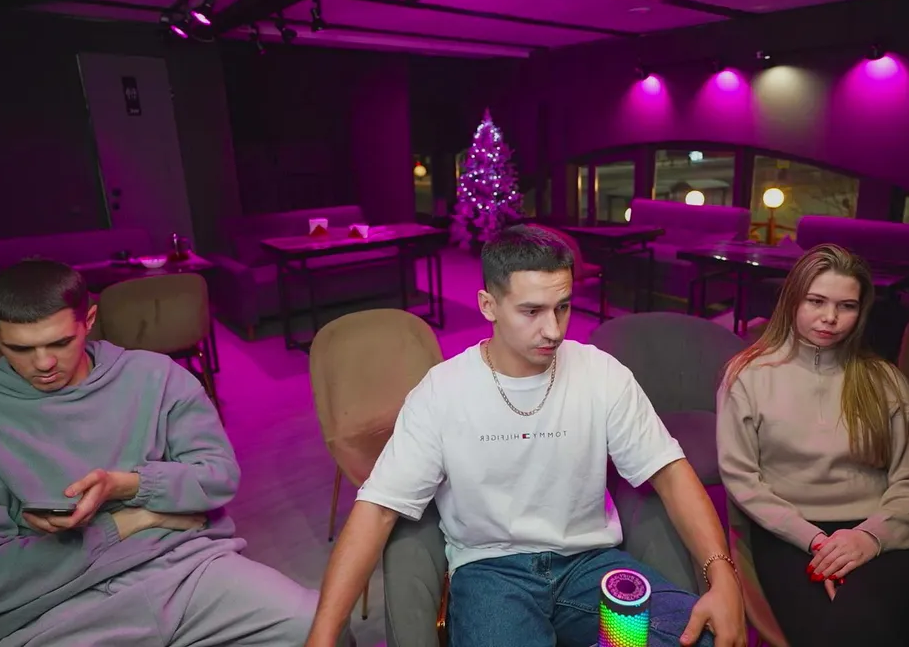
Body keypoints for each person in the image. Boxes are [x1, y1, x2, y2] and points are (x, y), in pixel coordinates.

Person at [304, 225, 745, 647]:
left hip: (590, 565)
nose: (553, 330)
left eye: (563, 307)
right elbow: (378, 510)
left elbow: (670, 472)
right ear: (488, 305)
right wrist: (323, 635)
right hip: (491, 572)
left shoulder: (601, 373)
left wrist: (723, 578)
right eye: (531, 311)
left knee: (700, 636)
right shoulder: (442, 392)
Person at [0, 260, 316, 647]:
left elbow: (218, 478)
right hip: (53, 611)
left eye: (60, 342)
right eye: (20, 348)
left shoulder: (155, 376)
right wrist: (130, 522)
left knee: (318, 626)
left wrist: (126, 485)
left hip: (186, 570)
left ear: (88, 320)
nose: (44, 363)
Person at [717, 244, 909, 647]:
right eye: (816, 301)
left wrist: (869, 537)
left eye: (846, 306)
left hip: (879, 526)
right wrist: (815, 541)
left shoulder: (885, 380)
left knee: (893, 631)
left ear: (862, 311)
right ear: (792, 300)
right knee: (840, 635)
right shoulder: (748, 376)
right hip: (788, 531)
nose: (830, 318)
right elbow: (742, 481)